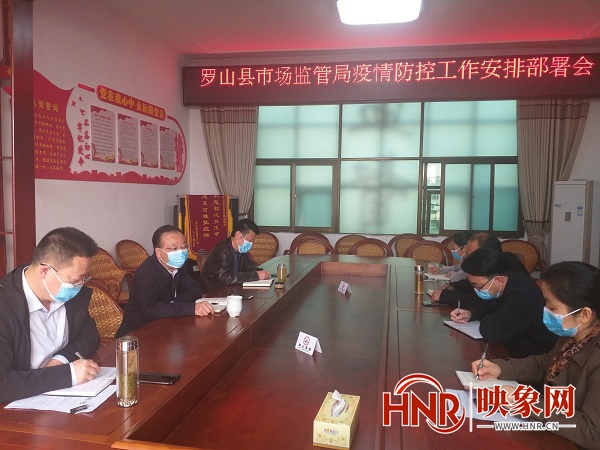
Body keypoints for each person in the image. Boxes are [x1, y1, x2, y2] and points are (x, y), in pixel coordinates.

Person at [473, 262, 600, 449]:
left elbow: (592, 432)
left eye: (552, 308)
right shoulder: (573, 336)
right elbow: (546, 363)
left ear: (584, 314)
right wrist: (500, 368)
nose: (545, 310)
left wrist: (525, 401)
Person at [0, 227, 101, 403]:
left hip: (63, 398)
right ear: (45, 271)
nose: (80, 284)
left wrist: (60, 361)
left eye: (84, 278)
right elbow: (2, 384)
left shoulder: (70, 296)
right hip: (17, 408)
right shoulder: (5, 306)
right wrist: (68, 374)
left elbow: (90, 336)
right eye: (74, 280)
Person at [450, 247, 557, 358]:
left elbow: (492, 331)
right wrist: (471, 313)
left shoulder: (522, 295)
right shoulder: (508, 282)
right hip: (514, 347)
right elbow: (491, 305)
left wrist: (489, 318)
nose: (476, 290)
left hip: (536, 355)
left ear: (498, 280)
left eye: (478, 286)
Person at [115, 225, 213, 338]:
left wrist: (174, 304)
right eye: (174, 248)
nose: (181, 252)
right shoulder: (144, 273)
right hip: (138, 335)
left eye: (184, 247)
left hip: (169, 327)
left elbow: (196, 289)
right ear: (158, 252)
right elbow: (151, 310)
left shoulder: (179, 265)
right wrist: (189, 308)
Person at [431, 232, 528, 307]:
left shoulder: (505, 267)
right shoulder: (493, 263)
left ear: (487, 253)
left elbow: (483, 302)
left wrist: (446, 297)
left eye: (472, 255)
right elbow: (472, 284)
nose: (467, 258)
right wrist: (454, 287)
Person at [200, 218, 270, 289]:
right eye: (249, 241)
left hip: (231, 288)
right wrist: (256, 275)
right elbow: (226, 277)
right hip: (215, 291)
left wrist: (259, 271)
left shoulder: (240, 250)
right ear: (238, 235)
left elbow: (249, 265)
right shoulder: (221, 250)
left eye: (252, 242)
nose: (251, 244)